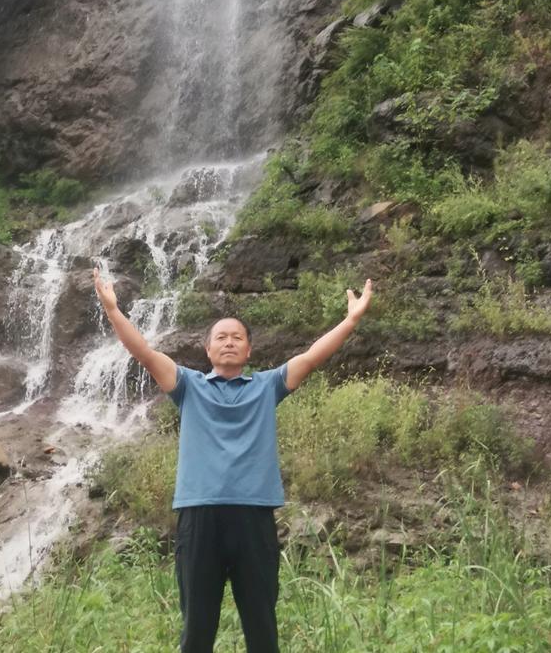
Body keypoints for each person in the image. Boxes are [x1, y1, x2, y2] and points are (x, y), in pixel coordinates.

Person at [93, 267, 373, 653]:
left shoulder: (267, 386)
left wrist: (351, 319)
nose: (229, 342)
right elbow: (143, 351)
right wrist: (113, 311)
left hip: (253, 516)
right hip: (199, 516)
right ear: (207, 350)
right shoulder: (187, 385)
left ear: (248, 350)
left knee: (262, 627)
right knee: (197, 630)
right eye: (220, 337)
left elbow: (310, 358)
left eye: (237, 337)